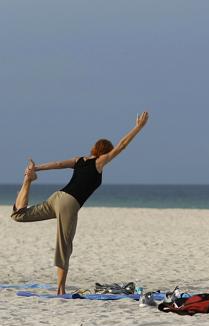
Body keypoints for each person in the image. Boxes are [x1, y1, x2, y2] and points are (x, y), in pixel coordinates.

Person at [11, 112, 150, 295]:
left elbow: (59, 163)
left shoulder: (79, 160)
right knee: (64, 244)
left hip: (58, 197)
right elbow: (121, 146)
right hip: (69, 203)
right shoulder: (99, 163)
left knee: (19, 215)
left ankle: (28, 181)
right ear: (105, 152)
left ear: (93, 148)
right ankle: (60, 289)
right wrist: (138, 128)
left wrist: (37, 168)